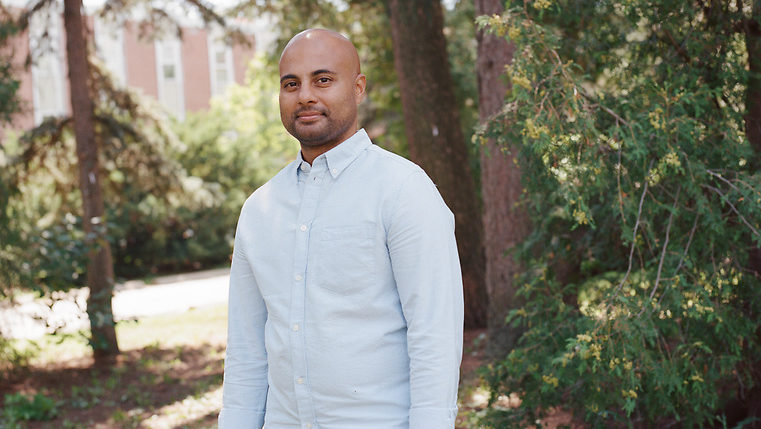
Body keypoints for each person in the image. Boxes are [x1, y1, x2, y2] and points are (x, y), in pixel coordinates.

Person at [218, 28, 464, 429]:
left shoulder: (403, 189)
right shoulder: (259, 209)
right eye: (291, 84)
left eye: (323, 79)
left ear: (358, 87)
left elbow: (434, 335)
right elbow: (246, 349)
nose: (305, 96)